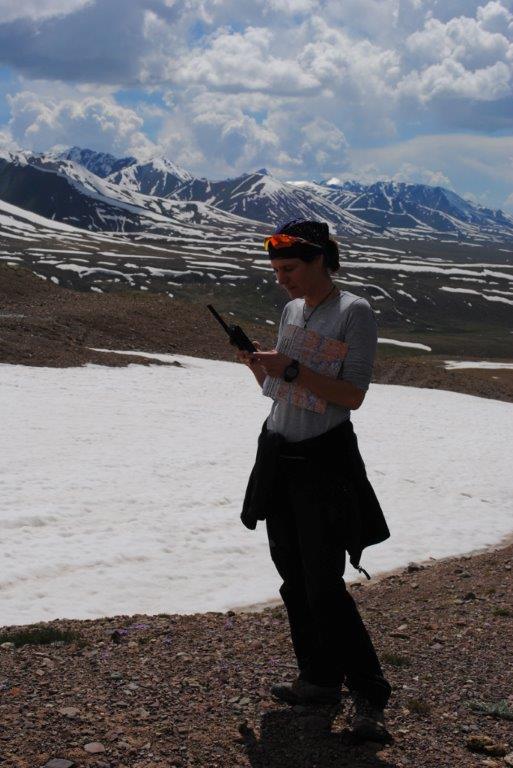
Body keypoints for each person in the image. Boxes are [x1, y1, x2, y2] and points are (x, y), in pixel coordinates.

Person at [236, 219, 392, 743]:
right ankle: (319, 679)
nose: (281, 280)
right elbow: (281, 390)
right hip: (278, 457)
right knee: (293, 578)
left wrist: (291, 368)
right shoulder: (291, 311)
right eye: (276, 270)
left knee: (323, 584)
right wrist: (260, 366)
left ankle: (369, 692)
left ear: (319, 259)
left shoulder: (354, 312)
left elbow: (352, 396)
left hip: (323, 463)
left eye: (289, 269)